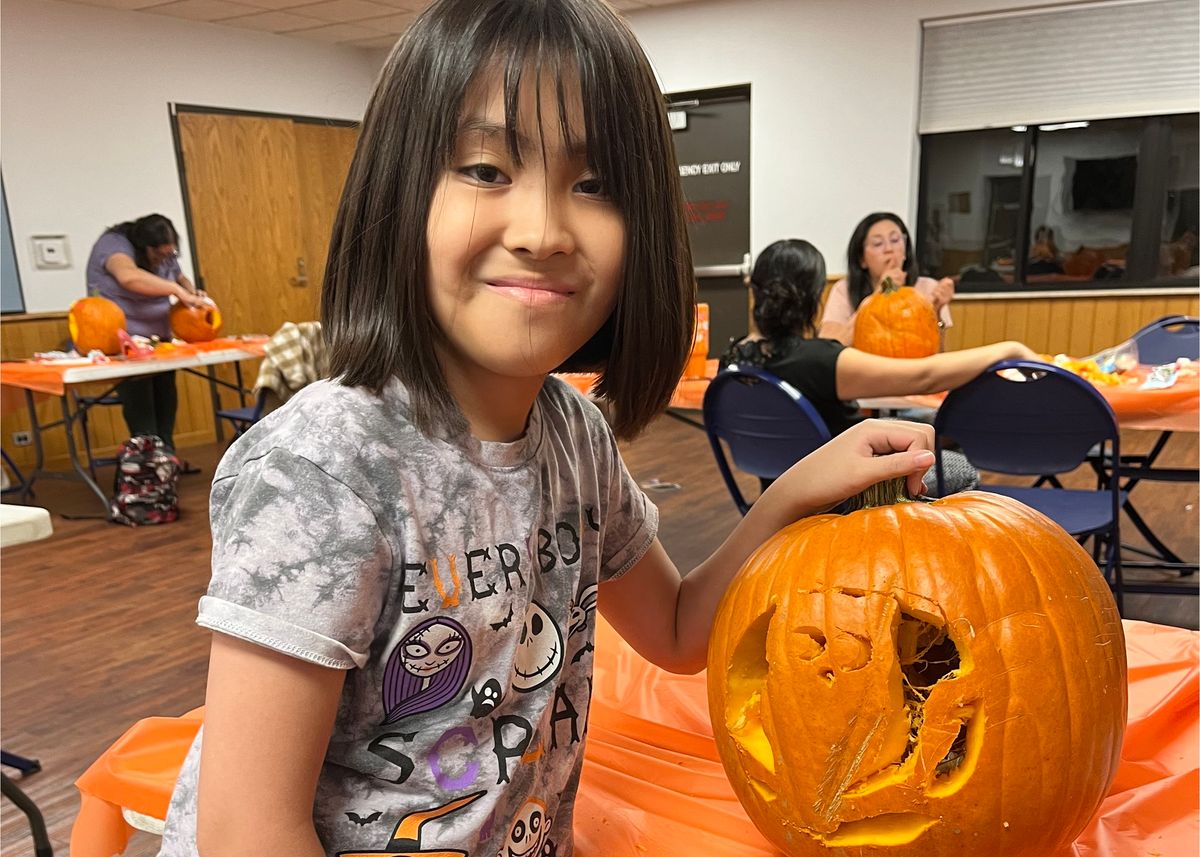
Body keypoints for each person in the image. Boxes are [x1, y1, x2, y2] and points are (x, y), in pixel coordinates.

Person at [155, 3, 944, 855]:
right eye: (486, 168)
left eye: (595, 184)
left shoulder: (573, 437)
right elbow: (245, 829)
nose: (542, 232)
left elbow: (679, 632)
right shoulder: (323, 470)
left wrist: (794, 492)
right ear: (398, 191)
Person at [722, 239, 1038, 490]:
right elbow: (926, 376)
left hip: (779, 494)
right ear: (813, 296)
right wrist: (1008, 348)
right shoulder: (817, 360)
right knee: (960, 468)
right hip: (843, 493)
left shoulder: (733, 360)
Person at [85, 213, 207, 453]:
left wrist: (193, 293)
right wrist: (175, 291)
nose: (164, 259)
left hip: (159, 339)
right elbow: (128, 277)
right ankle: (149, 458)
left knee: (165, 395)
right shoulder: (114, 244)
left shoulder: (166, 256)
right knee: (140, 400)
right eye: (158, 254)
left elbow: (179, 277)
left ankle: (166, 457)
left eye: (169, 253)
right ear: (143, 247)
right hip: (126, 343)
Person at [818, 212, 955, 347]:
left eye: (895, 240)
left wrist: (935, 313)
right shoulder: (844, 289)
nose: (889, 249)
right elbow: (830, 348)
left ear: (905, 251)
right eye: (878, 244)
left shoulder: (927, 287)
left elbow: (936, 354)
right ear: (862, 259)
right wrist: (879, 293)